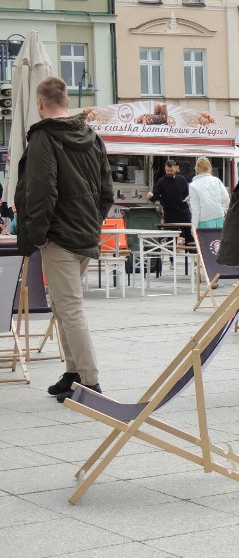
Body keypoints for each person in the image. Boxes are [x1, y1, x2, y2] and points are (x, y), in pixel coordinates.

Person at [14, 77, 113, 403]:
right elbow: (106, 192)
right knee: (61, 303)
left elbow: (41, 191)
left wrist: (38, 235)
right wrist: (91, 223)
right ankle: (72, 373)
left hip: (58, 237)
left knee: (69, 308)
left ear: (40, 104)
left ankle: (90, 381)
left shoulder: (45, 137)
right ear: (67, 100)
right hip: (83, 234)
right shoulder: (90, 136)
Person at [148, 159, 192, 245]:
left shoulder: (182, 180)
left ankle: (192, 255)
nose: (169, 172)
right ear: (165, 169)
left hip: (184, 212)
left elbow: (188, 193)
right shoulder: (161, 182)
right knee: (171, 239)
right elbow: (154, 197)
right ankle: (172, 257)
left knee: (189, 237)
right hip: (170, 214)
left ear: (176, 169)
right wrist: (150, 196)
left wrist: (188, 198)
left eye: (171, 170)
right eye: (168, 170)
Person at [188, 156, 229, 229]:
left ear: (197, 168)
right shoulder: (216, 180)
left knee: (206, 241)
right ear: (209, 167)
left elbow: (195, 210)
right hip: (219, 217)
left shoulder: (193, 186)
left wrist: (194, 228)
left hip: (204, 221)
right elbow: (226, 198)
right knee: (219, 240)